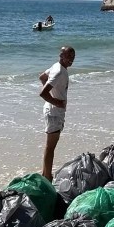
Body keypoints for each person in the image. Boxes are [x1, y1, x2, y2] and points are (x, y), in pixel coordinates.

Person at [38, 46, 76, 179]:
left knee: (50, 146)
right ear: (61, 56)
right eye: (68, 57)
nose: (71, 60)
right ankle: (47, 176)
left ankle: (46, 173)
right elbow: (43, 93)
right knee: (50, 147)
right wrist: (57, 102)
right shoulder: (59, 72)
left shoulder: (56, 67)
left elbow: (42, 77)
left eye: (73, 57)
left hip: (52, 111)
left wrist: (54, 98)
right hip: (54, 112)